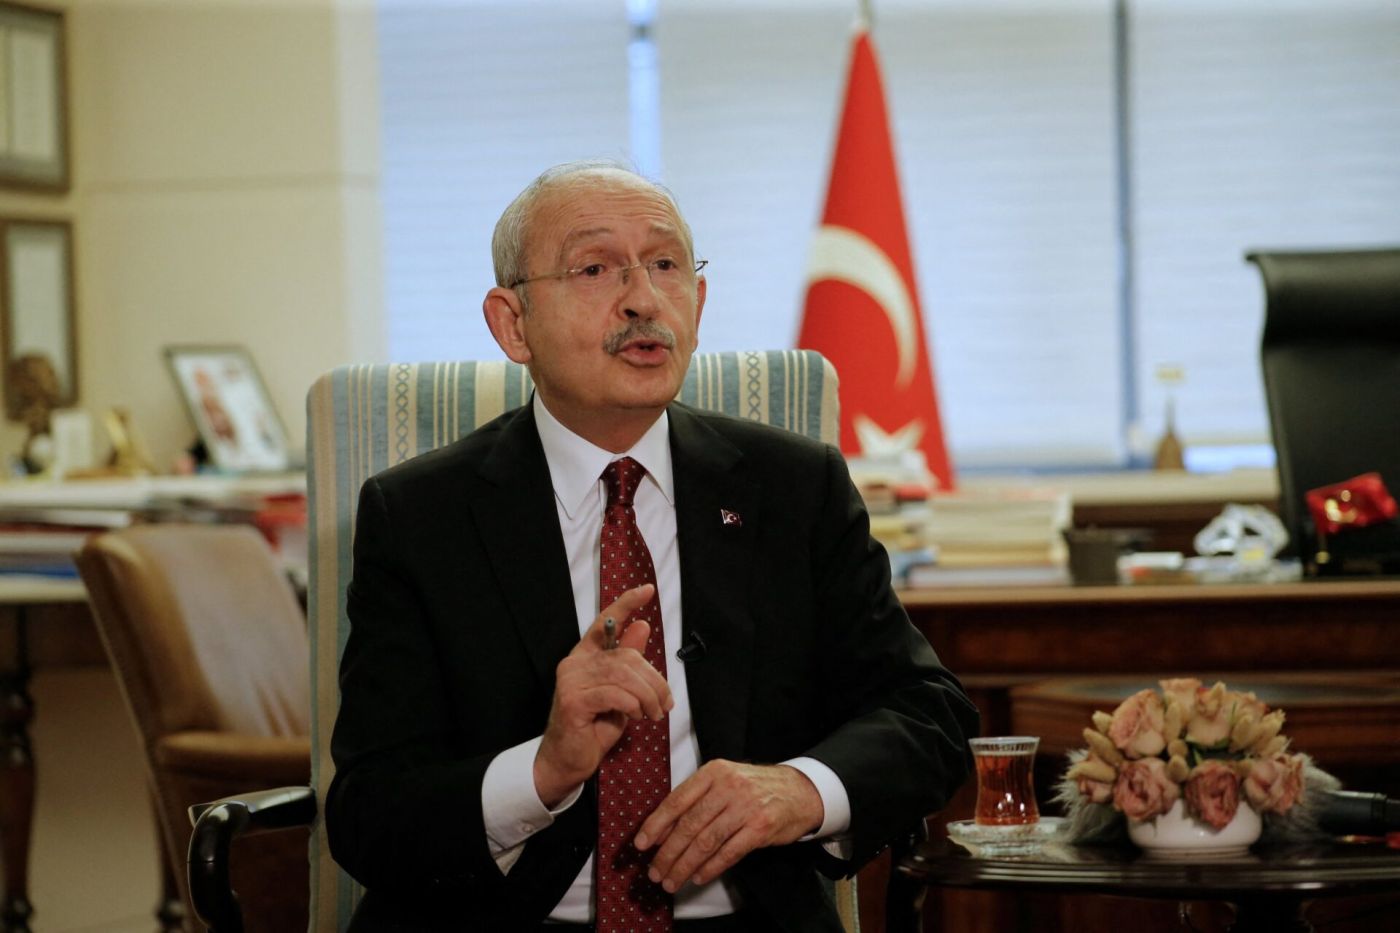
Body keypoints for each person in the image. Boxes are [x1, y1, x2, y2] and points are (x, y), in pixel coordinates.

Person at [326, 160, 979, 931]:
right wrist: (543, 768)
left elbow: (930, 714)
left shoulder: (793, 487)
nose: (643, 299)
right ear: (513, 325)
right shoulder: (421, 515)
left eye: (666, 265)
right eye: (595, 268)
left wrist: (799, 789)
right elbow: (367, 812)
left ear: (698, 302)